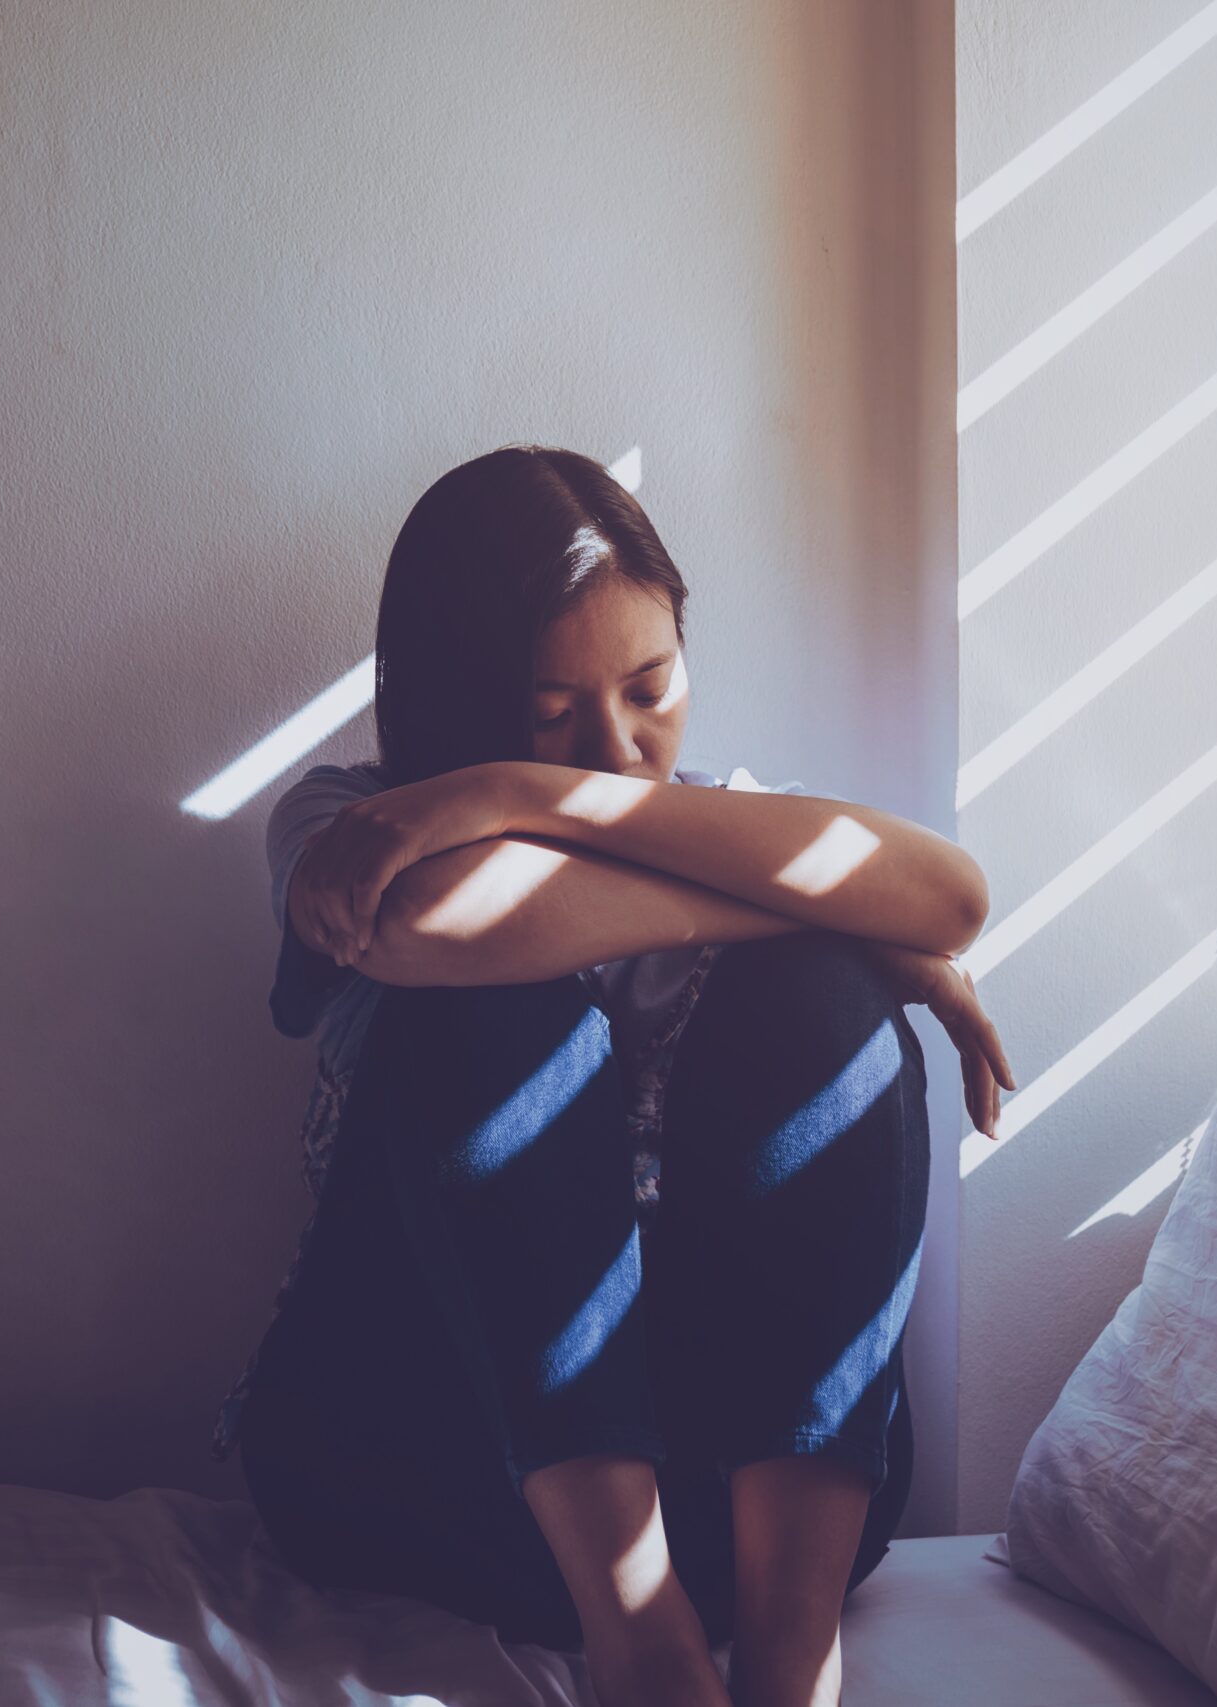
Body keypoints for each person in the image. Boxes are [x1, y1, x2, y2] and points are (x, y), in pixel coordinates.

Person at [210, 444, 1016, 1707]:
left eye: (651, 687)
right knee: (486, 1015)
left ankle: (794, 1660)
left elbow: (953, 895)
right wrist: (837, 916)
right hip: (421, 1466)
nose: (618, 750)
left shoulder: (716, 828)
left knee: (824, 1006)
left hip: (740, 1515)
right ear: (456, 696)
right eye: (547, 717)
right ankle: (639, 1648)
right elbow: (437, 928)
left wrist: (536, 793)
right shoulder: (351, 820)